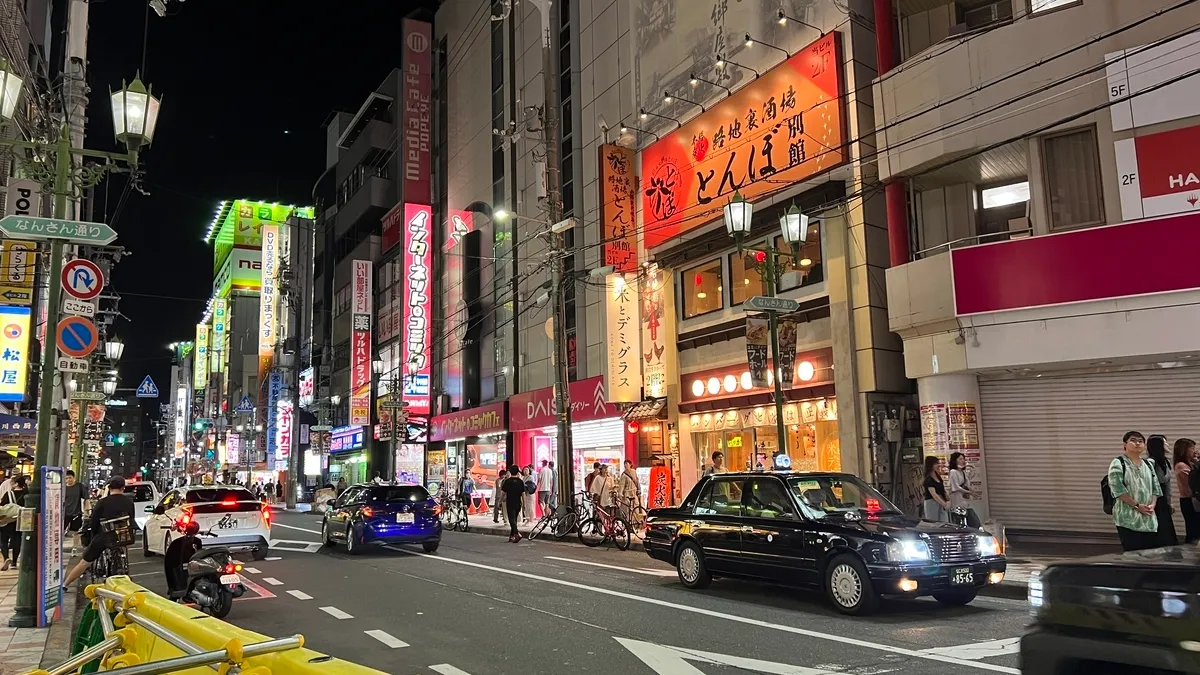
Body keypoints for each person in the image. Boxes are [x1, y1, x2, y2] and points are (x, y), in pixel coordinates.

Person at [64, 477, 135, 588]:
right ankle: (123, 566)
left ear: (109, 487)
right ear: (123, 488)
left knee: (85, 562)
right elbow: (131, 519)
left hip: (105, 536)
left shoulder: (102, 502)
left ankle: (65, 584)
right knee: (123, 548)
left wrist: (93, 535)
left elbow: (94, 522)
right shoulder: (129, 502)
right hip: (122, 535)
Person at [1108, 431, 1161, 552]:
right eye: (1133, 440)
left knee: (1149, 553)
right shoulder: (1118, 463)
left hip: (1148, 517)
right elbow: (1117, 489)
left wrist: (1152, 505)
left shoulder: (1148, 464)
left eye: (1140, 441)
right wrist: (1137, 506)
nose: (1137, 443)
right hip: (1127, 518)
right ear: (1125, 444)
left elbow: (1155, 487)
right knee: (1132, 553)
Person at [1147, 435, 1177, 547]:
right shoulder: (1151, 462)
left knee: (1166, 526)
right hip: (1153, 499)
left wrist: (1170, 502)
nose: (1168, 445)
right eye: (1165, 443)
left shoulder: (1166, 461)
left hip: (1163, 498)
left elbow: (1168, 484)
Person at [1172, 438, 1199, 544]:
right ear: (1184, 450)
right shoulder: (1181, 466)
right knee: (1194, 529)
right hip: (1190, 500)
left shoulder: (1190, 464)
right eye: (1192, 448)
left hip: (1193, 499)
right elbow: (1192, 485)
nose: (1195, 451)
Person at [947, 452, 981, 528]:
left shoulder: (963, 472)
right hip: (956, 501)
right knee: (959, 523)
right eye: (960, 459)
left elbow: (967, 484)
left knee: (974, 521)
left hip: (964, 500)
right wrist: (969, 492)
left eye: (963, 459)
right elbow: (955, 487)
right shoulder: (953, 472)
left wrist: (972, 491)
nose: (963, 461)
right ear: (955, 460)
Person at [1, 475, 27, 570]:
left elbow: (2, 506)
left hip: (7, 520)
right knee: (17, 540)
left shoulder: (8, 494)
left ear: (16, 484)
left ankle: (6, 558)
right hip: (20, 520)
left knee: (3, 540)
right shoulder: (27, 494)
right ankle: (14, 563)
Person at [500, 466, 526, 542]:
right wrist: (524, 504)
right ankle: (511, 536)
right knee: (514, 519)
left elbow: (503, 493)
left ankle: (517, 534)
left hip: (510, 502)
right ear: (518, 472)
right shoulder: (520, 481)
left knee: (512, 519)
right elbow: (523, 493)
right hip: (518, 502)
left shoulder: (507, 481)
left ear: (510, 472)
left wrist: (500, 501)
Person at [922, 456, 950, 522]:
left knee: (944, 522)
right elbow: (934, 494)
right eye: (936, 463)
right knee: (933, 522)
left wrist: (948, 499)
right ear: (930, 465)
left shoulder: (938, 476)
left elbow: (942, 489)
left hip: (941, 501)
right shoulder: (928, 479)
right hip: (931, 503)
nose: (938, 465)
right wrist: (945, 504)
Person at [64, 470, 85, 554]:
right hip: (64, 513)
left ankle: (74, 548)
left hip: (76, 513)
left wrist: (86, 511)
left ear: (74, 478)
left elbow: (86, 498)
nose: (68, 480)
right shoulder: (63, 488)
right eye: (66, 478)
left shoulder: (79, 486)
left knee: (76, 531)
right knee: (61, 531)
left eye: (70, 478)